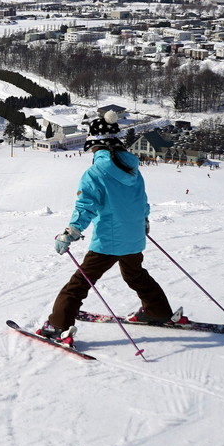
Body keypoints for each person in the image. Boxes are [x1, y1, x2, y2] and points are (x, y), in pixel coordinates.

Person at [37, 110, 178, 341]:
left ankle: (57, 325)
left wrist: (70, 233)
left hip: (109, 242)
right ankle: (158, 311)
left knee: (80, 283)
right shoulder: (133, 169)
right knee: (136, 276)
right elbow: (141, 200)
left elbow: (85, 207)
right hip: (134, 237)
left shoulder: (95, 172)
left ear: (95, 145)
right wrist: (143, 221)